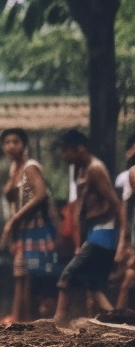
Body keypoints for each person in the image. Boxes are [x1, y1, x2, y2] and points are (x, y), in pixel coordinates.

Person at [54, 129, 129, 325]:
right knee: (94, 286)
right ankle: (118, 324)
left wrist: (122, 241)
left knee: (66, 277)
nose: (63, 156)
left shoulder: (95, 169)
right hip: (93, 233)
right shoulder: (80, 170)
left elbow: (115, 203)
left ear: (79, 149)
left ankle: (57, 321)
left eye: (66, 151)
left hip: (104, 232)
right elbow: (81, 210)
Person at [0, 128, 55, 321]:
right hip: (22, 231)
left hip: (36, 228)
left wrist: (14, 219)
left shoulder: (30, 166)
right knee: (20, 274)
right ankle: (18, 319)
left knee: (29, 276)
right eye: (7, 142)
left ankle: (27, 321)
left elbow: (41, 194)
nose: (11, 146)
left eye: (15, 141)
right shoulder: (14, 169)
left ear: (24, 145)